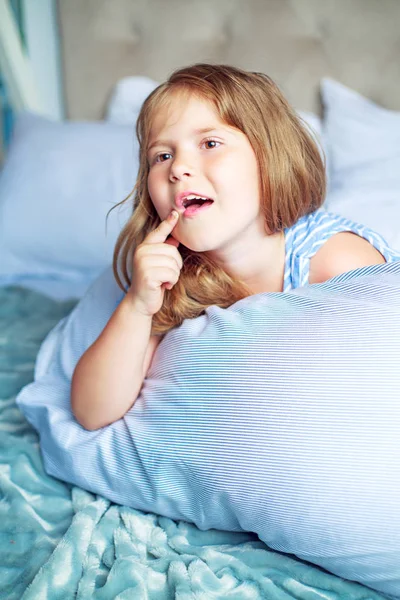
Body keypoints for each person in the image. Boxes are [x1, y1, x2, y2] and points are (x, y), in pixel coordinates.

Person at [71, 63, 400, 431]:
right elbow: (91, 412)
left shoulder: (336, 262)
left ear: (269, 158)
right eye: (161, 156)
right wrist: (136, 306)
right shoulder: (172, 276)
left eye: (210, 144)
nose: (178, 169)